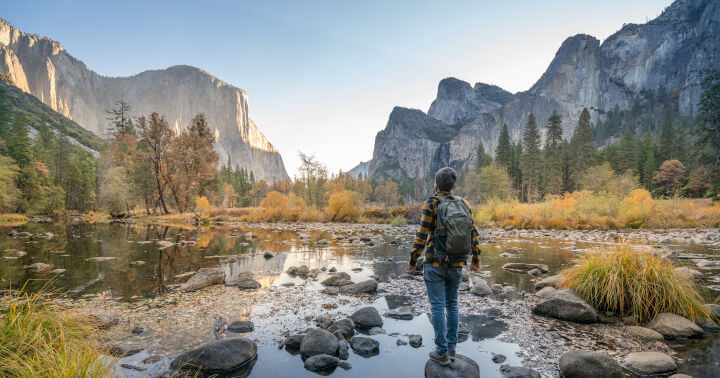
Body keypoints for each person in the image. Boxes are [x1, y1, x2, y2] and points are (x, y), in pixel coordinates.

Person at [407, 167, 481, 365]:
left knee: (438, 306)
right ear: (452, 185)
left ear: (436, 184)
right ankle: (452, 349)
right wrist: (476, 260)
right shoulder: (463, 203)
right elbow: (473, 233)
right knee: (453, 304)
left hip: (435, 262)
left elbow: (421, 235)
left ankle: (441, 352)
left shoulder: (431, 203)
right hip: (457, 263)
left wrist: (413, 261)